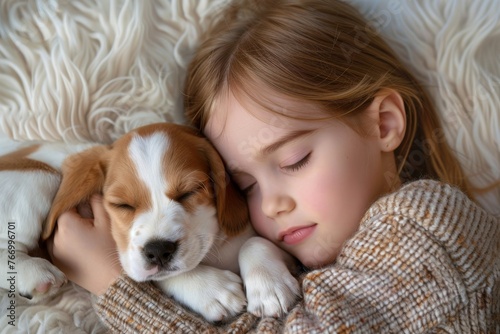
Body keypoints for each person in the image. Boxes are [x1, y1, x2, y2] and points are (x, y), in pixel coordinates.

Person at [48, 0, 500, 332]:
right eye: (244, 186)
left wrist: (114, 286)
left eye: (294, 160)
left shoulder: (430, 227)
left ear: (383, 124)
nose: (273, 204)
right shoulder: (326, 259)